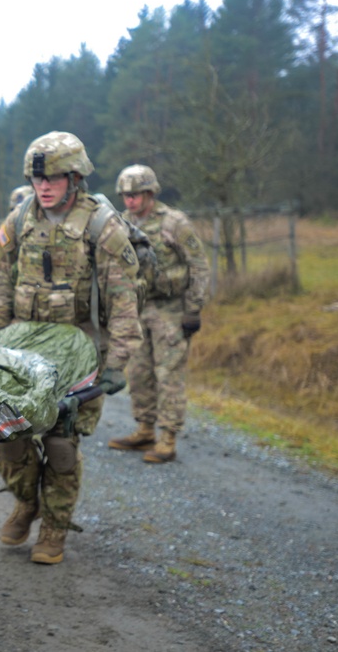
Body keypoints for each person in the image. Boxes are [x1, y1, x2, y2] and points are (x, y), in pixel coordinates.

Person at [0, 131, 142, 564]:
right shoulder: (19, 220)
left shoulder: (102, 226)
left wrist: (118, 361)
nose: (43, 187)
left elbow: (124, 301)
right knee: (9, 435)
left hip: (78, 353)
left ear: (75, 177)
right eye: (37, 180)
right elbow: (0, 291)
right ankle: (27, 502)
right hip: (23, 350)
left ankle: (54, 527)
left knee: (62, 443)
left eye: (52, 179)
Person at [108, 165, 210, 463]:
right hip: (138, 309)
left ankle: (168, 437)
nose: (130, 201)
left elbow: (199, 266)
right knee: (139, 373)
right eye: (126, 195)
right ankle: (144, 428)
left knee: (168, 375)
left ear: (150, 193)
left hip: (171, 309)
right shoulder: (121, 224)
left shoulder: (174, 223)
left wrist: (193, 309)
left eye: (136, 195)